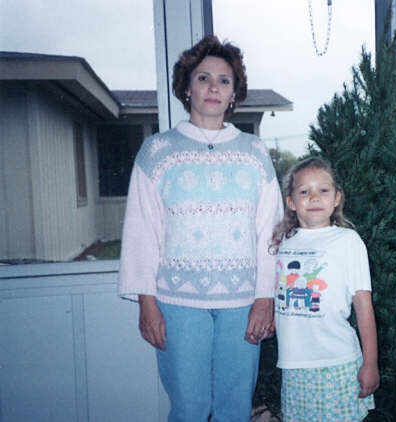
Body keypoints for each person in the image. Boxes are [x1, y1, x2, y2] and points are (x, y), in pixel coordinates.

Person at [118, 35, 283, 422]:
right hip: (176, 303)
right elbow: (141, 230)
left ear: (234, 94)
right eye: (204, 78)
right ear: (187, 88)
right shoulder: (158, 151)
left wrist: (265, 299)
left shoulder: (254, 153)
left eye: (224, 80)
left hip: (242, 303)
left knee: (233, 408)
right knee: (190, 409)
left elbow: (270, 232)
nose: (213, 87)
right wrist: (147, 303)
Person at [271, 157, 380, 421]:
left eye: (323, 190)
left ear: (336, 199)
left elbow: (363, 306)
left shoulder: (348, 242)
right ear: (291, 203)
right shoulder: (283, 242)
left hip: (338, 364)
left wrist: (371, 363)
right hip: (294, 366)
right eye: (304, 191)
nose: (314, 198)